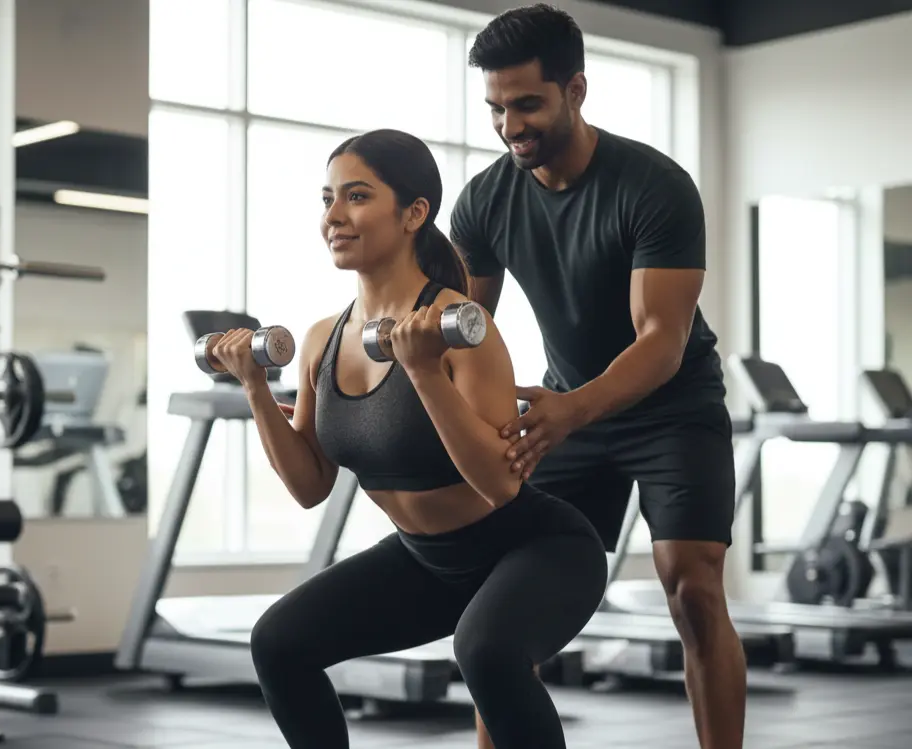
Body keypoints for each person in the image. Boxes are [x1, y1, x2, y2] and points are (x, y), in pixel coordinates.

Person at [209, 128, 608, 749]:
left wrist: (423, 371)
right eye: (327, 199)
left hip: (538, 549)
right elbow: (310, 487)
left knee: (487, 652)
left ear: (414, 213)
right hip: (428, 562)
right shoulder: (322, 340)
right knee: (280, 642)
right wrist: (255, 387)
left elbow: (500, 484)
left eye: (356, 196)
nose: (333, 216)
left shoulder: (461, 328)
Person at [451, 6, 745, 749]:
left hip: (672, 409)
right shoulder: (484, 201)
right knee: (506, 612)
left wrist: (570, 410)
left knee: (692, 586)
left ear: (575, 90)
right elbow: (463, 330)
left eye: (526, 104)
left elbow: (662, 341)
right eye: (496, 108)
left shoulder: (653, 186)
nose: (510, 125)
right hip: (568, 409)